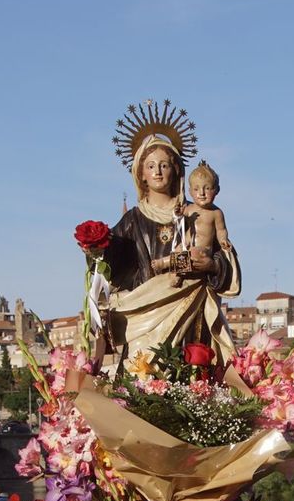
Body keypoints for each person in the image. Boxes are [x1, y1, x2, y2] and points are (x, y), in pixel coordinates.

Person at [101, 103, 242, 366]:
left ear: (176, 169)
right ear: (140, 173)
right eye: (151, 165)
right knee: (141, 377)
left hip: (190, 307)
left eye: (164, 165)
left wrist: (211, 264)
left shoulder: (197, 213)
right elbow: (110, 266)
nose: (157, 171)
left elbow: (225, 256)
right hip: (145, 312)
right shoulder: (132, 220)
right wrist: (96, 247)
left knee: (188, 377)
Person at [184, 160, 231, 256]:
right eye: (196, 189)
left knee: (195, 253)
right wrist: (178, 213)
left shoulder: (216, 213)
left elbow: (221, 230)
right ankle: (164, 262)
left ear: (217, 190)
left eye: (207, 188)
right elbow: (177, 222)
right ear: (190, 191)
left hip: (204, 250)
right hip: (186, 247)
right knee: (177, 250)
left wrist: (223, 240)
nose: (201, 193)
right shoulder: (188, 209)